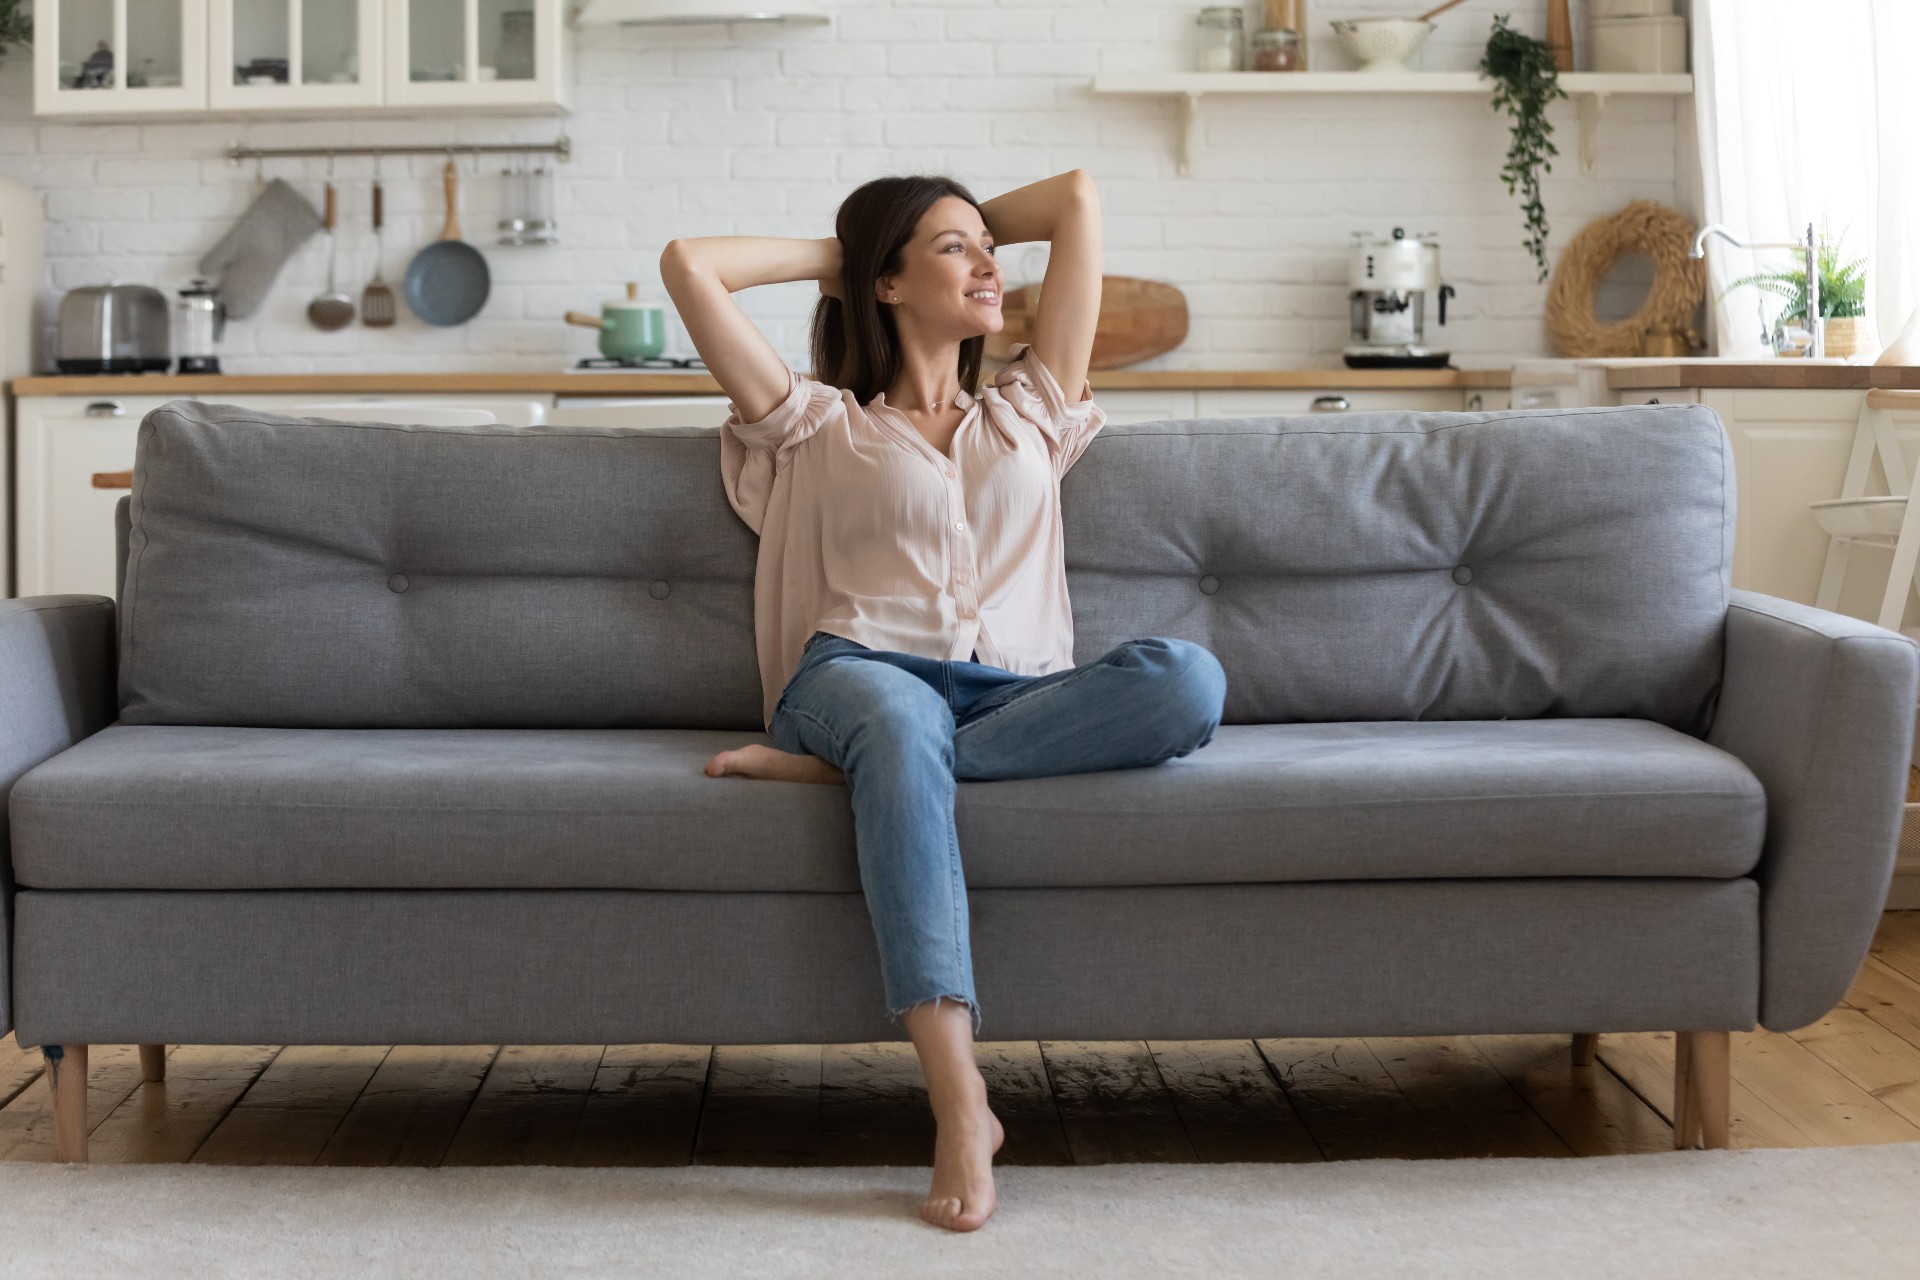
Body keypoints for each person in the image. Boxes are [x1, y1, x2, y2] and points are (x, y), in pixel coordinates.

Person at [659, 170, 1226, 1232]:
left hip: (1014, 695)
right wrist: (847, 253)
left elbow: (1075, 200)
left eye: (988, 247)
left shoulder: (1032, 411)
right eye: (956, 249)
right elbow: (690, 265)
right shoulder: (813, 423)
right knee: (899, 720)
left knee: (1189, 679)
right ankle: (961, 1098)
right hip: (857, 675)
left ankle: (868, 774)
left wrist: (946, 240)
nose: (989, 265)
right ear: (884, 283)